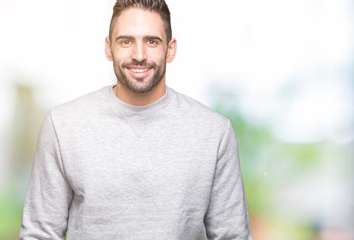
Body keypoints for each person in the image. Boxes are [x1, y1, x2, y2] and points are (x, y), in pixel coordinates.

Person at [19, 0, 253, 239]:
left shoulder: (214, 132)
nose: (139, 55)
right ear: (109, 48)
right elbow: (39, 233)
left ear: (170, 49)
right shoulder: (63, 125)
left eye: (152, 41)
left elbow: (232, 235)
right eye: (126, 41)